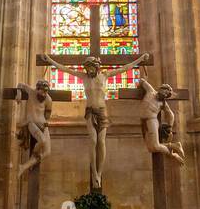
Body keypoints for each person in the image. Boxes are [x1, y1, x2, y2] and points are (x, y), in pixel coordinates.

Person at [40, 52, 151, 191]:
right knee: (93, 141)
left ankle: (99, 172)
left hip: (102, 111)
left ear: (96, 67)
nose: (89, 70)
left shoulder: (105, 75)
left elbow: (125, 68)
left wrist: (140, 59)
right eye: (87, 68)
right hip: (90, 111)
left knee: (101, 141)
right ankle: (94, 173)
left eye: (91, 68)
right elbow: (65, 69)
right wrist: (50, 60)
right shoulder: (83, 77)